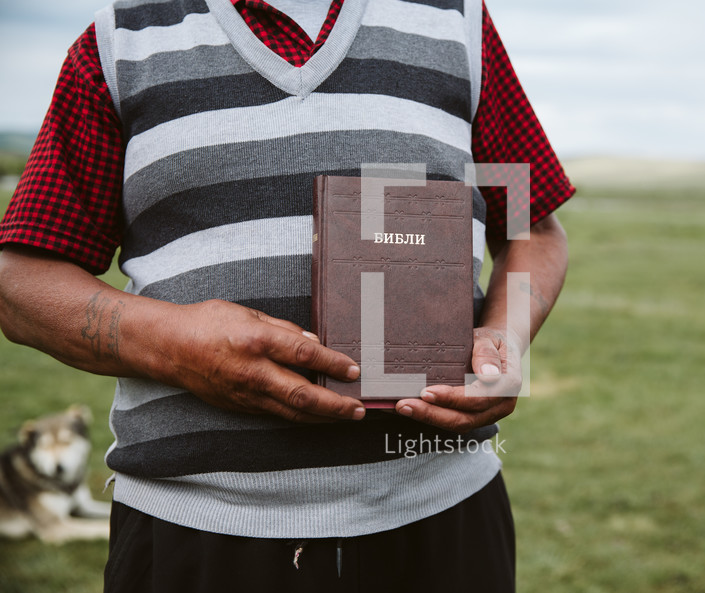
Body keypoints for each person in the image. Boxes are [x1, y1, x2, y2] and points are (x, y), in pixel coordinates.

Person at [0, 0, 574, 591]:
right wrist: (175, 345)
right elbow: (19, 285)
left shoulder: (458, 22)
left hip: (444, 518)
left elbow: (534, 230)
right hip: (194, 533)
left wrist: (504, 340)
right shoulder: (122, 40)